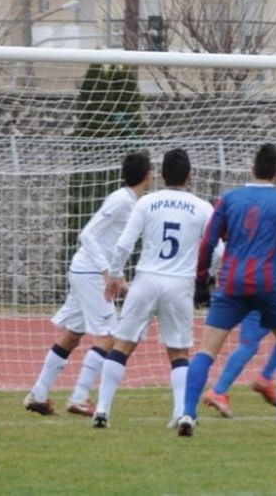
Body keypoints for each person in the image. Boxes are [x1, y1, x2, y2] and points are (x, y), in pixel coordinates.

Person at [177, 143, 276, 437]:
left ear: (251, 168)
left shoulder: (229, 198)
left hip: (231, 281)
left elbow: (207, 242)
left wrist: (201, 280)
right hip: (268, 282)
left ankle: (187, 414)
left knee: (207, 349)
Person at [90, 149, 214, 429]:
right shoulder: (203, 207)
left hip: (145, 279)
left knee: (122, 346)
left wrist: (115, 274)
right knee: (179, 352)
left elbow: (124, 243)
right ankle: (181, 413)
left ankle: (102, 410)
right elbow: (217, 249)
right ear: (190, 176)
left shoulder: (147, 202)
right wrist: (209, 275)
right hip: (180, 283)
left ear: (160, 175)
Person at [23, 151, 153, 416]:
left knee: (71, 336)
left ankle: (38, 394)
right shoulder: (121, 201)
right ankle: (80, 397)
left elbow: (110, 244)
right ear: (148, 175)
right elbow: (88, 234)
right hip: (90, 273)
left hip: (87, 271)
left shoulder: (131, 202)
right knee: (109, 337)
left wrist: (119, 278)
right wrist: (106, 272)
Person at [202, 180, 276, 418]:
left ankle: (263, 379)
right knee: (253, 343)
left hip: (250, 283)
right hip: (261, 288)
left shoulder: (266, 216)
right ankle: (223, 389)